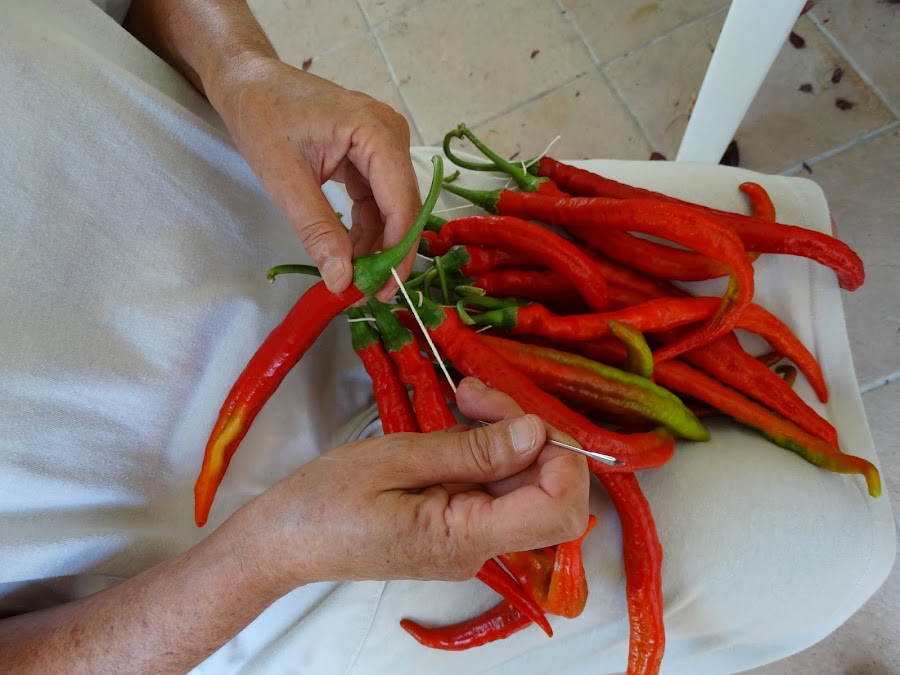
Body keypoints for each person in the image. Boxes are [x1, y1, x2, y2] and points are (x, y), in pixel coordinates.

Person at [0, 1, 894, 674]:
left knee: (765, 265)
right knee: (829, 550)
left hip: (375, 242)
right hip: (229, 569)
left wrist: (240, 66)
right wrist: (264, 558)